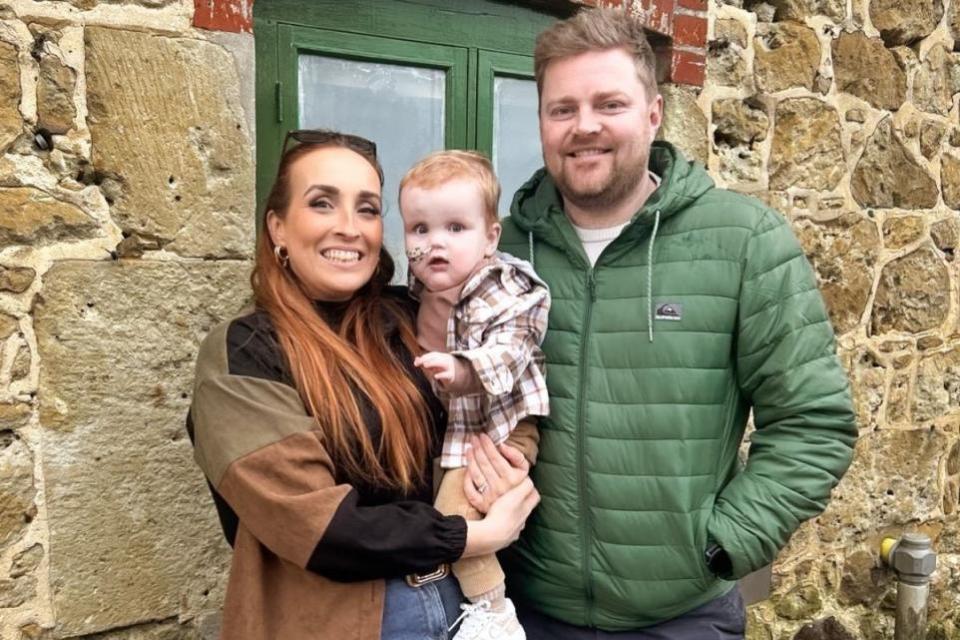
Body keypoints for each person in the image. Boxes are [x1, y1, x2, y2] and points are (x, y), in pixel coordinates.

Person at [466, 7, 858, 638]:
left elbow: (814, 422)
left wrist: (724, 544)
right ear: (540, 121)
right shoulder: (500, 254)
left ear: (653, 113)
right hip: (527, 608)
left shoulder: (743, 241)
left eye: (609, 104)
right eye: (561, 109)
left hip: (683, 615)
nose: (583, 126)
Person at [186, 130, 539, 640]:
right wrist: (470, 534)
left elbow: (507, 391)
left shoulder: (412, 320)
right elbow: (317, 526)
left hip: (464, 611)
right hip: (336, 622)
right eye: (322, 203)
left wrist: (512, 462)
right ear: (277, 227)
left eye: (368, 209)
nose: (349, 228)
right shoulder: (245, 353)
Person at [399, 150, 550, 640]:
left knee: (453, 516)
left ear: (490, 238)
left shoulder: (504, 285)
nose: (434, 243)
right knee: (436, 507)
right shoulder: (418, 289)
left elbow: (512, 350)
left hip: (500, 427)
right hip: (457, 431)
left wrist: (462, 368)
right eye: (419, 229)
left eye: (456, 229)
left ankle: (494, 615)